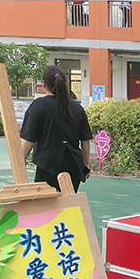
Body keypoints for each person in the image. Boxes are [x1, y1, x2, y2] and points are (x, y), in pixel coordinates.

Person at [21, 65, 93, 193]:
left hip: (47, 165)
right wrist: (85, 163)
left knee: (46, 208)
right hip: (73, 166)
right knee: (68, 205)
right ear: (65, 84)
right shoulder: (77, 108)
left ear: (43, 83)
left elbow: (29, 140)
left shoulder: (39, 106)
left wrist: (20, 160)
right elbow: (85, 140)